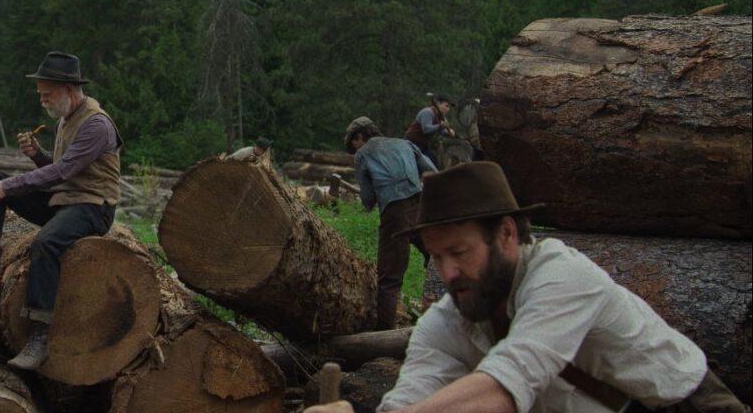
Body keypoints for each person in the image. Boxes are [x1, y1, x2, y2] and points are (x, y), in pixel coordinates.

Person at [305, 162, 747, 413]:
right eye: (437, 257)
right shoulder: (445, 322)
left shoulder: (562, 276)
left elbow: (507, 383)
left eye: (459, 252)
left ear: (507, 234)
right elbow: (409, 400)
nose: (448, 272)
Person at [0, 51, 123, 371]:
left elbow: (63, 171)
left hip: (93, 207)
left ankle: (40, 336)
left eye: (46, 94)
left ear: (68, 89)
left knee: (46, 242)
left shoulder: (97, 125)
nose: (42, 100)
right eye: (40, 94)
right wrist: (36, 155)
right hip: (64, 201)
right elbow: (61, 169)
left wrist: (12, 186)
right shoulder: (65, 119)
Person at [344, 116, 436, 330]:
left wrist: (371, 195)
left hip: (395, 212)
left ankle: (384, 336)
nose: (355, 149)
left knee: (389, 279)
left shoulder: (363, 154)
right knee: (438, 257)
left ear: (360, 136)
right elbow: (432, 170)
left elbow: (368, 200)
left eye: (354, 144)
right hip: (421, 205)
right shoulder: (405, 143)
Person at [405, 94, 455, 168]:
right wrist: (440, 126)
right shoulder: (428, 112)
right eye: (446, 106)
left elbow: (439, 130)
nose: (448, 109)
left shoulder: (441, 118)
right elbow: (426, 129)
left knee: (434, 164)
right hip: (412, 144)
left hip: (423, 146)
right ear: (438, 103)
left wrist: (448, 132)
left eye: (449, 107)